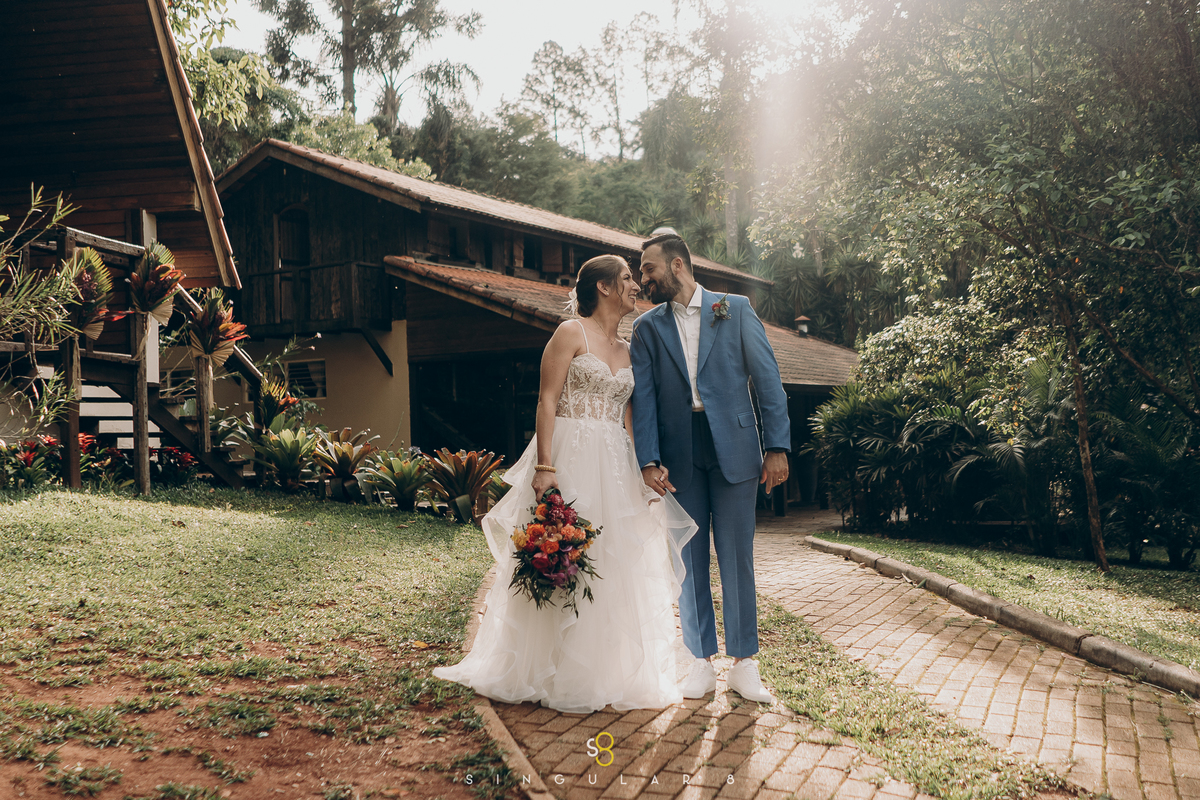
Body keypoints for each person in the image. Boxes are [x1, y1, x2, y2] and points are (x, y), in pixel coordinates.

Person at [433, 255, 698, 714]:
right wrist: (545, 467)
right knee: (566, 551)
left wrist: (644, 467)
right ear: (603, 287)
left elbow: (631, 414)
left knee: (613, 559)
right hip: (572, 453)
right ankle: (546, 666)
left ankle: (602, 671)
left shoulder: (630, 346)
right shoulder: (570, 333)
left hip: (615, 459)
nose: (636, 285)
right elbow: (547, 400)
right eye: (628, 279)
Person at [630, 232, 790, 703]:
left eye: (648, 269)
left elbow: (767, 379)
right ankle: (699, 662)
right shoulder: (646, 328)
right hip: (679, 456)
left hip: (737, 449)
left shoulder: (734, 308)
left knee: (736, 556)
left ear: (677, 265)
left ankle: (744, 664)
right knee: (689, 558)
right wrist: (648, 460)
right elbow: (644, 400)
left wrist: (776, 446)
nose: (643, 279)